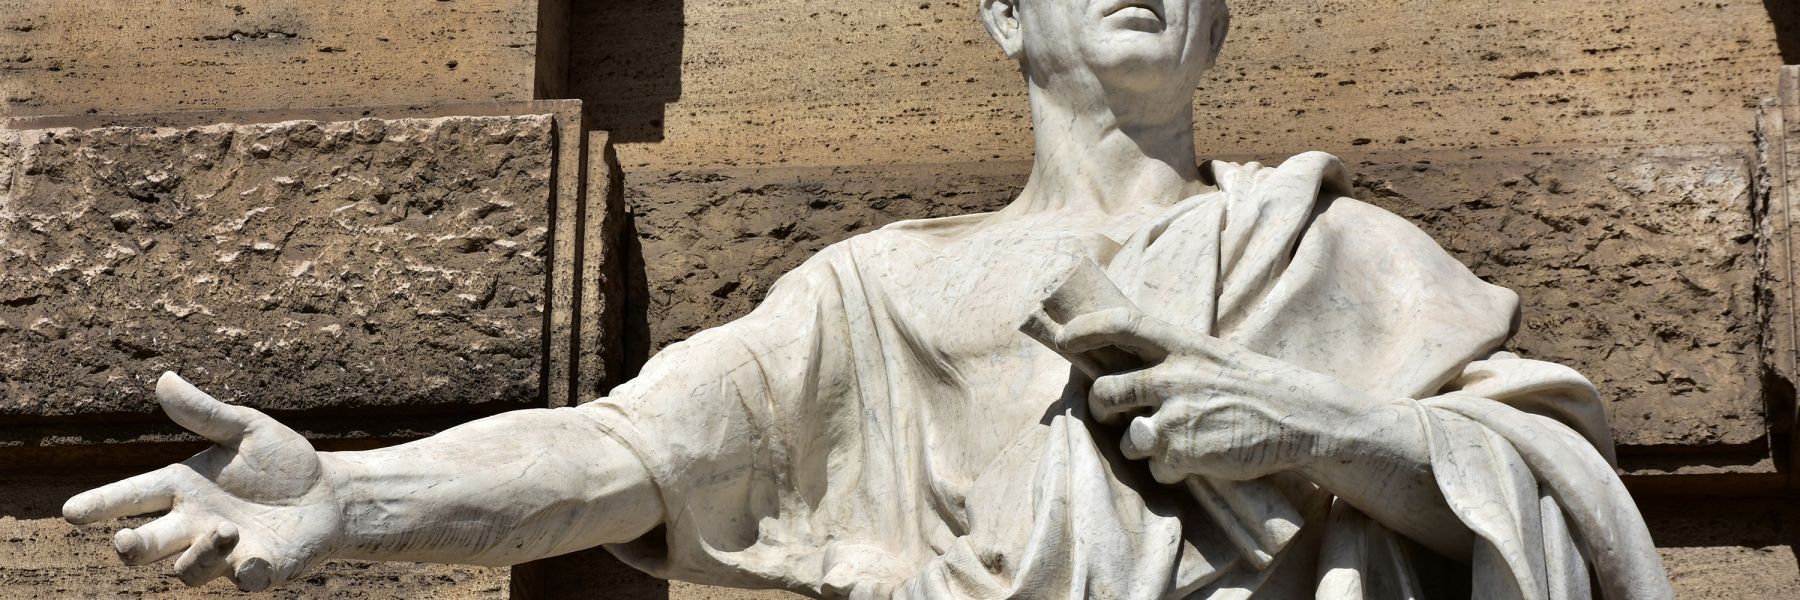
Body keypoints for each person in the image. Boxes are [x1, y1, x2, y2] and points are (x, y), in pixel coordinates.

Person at [64, 0, 1672, 597]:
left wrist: (1317, 424)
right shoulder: (877, 296)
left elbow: (1561, 512)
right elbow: (624, 453)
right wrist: (352, 497)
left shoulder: (1349, 253)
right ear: (1004, 16)